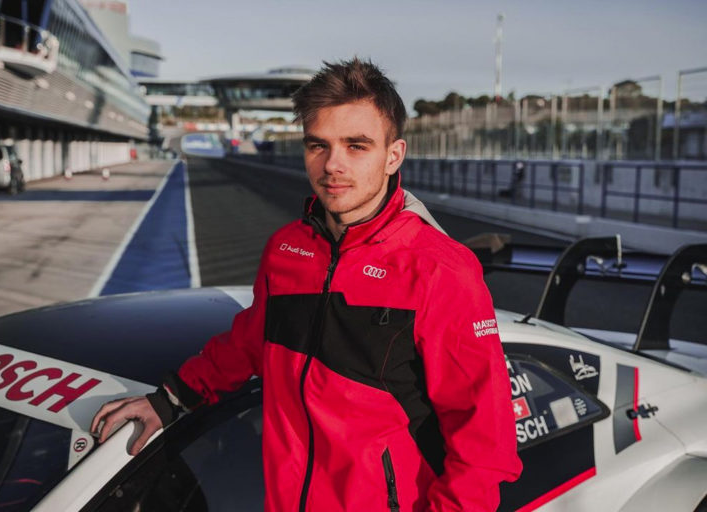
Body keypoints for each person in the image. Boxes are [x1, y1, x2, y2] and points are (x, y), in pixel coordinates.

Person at [92, 58, 522, 511]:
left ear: (393, 155)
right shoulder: (287, 248)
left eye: (356, 146)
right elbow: (251, 342)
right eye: (319, 145)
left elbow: (485, 445)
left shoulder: (441, 269)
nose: (333, 164)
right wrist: (170, 400)